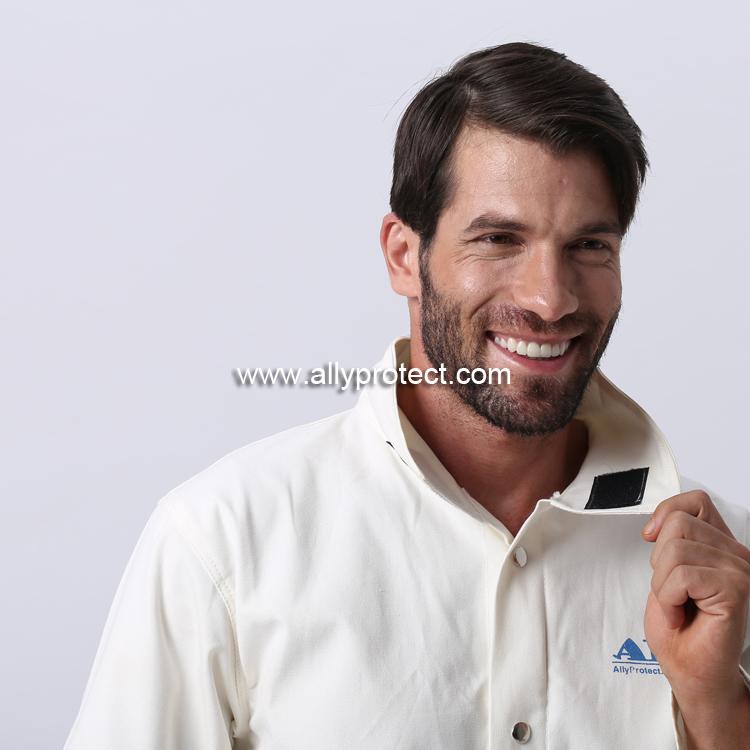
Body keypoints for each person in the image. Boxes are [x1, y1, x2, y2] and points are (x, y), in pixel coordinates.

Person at [64, 42, 750, 749]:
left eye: (589, 246)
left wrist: (718, 706)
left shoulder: (723, 564)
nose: (550, 299)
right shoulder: (224, 543)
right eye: (498, 238)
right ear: (403, 256)